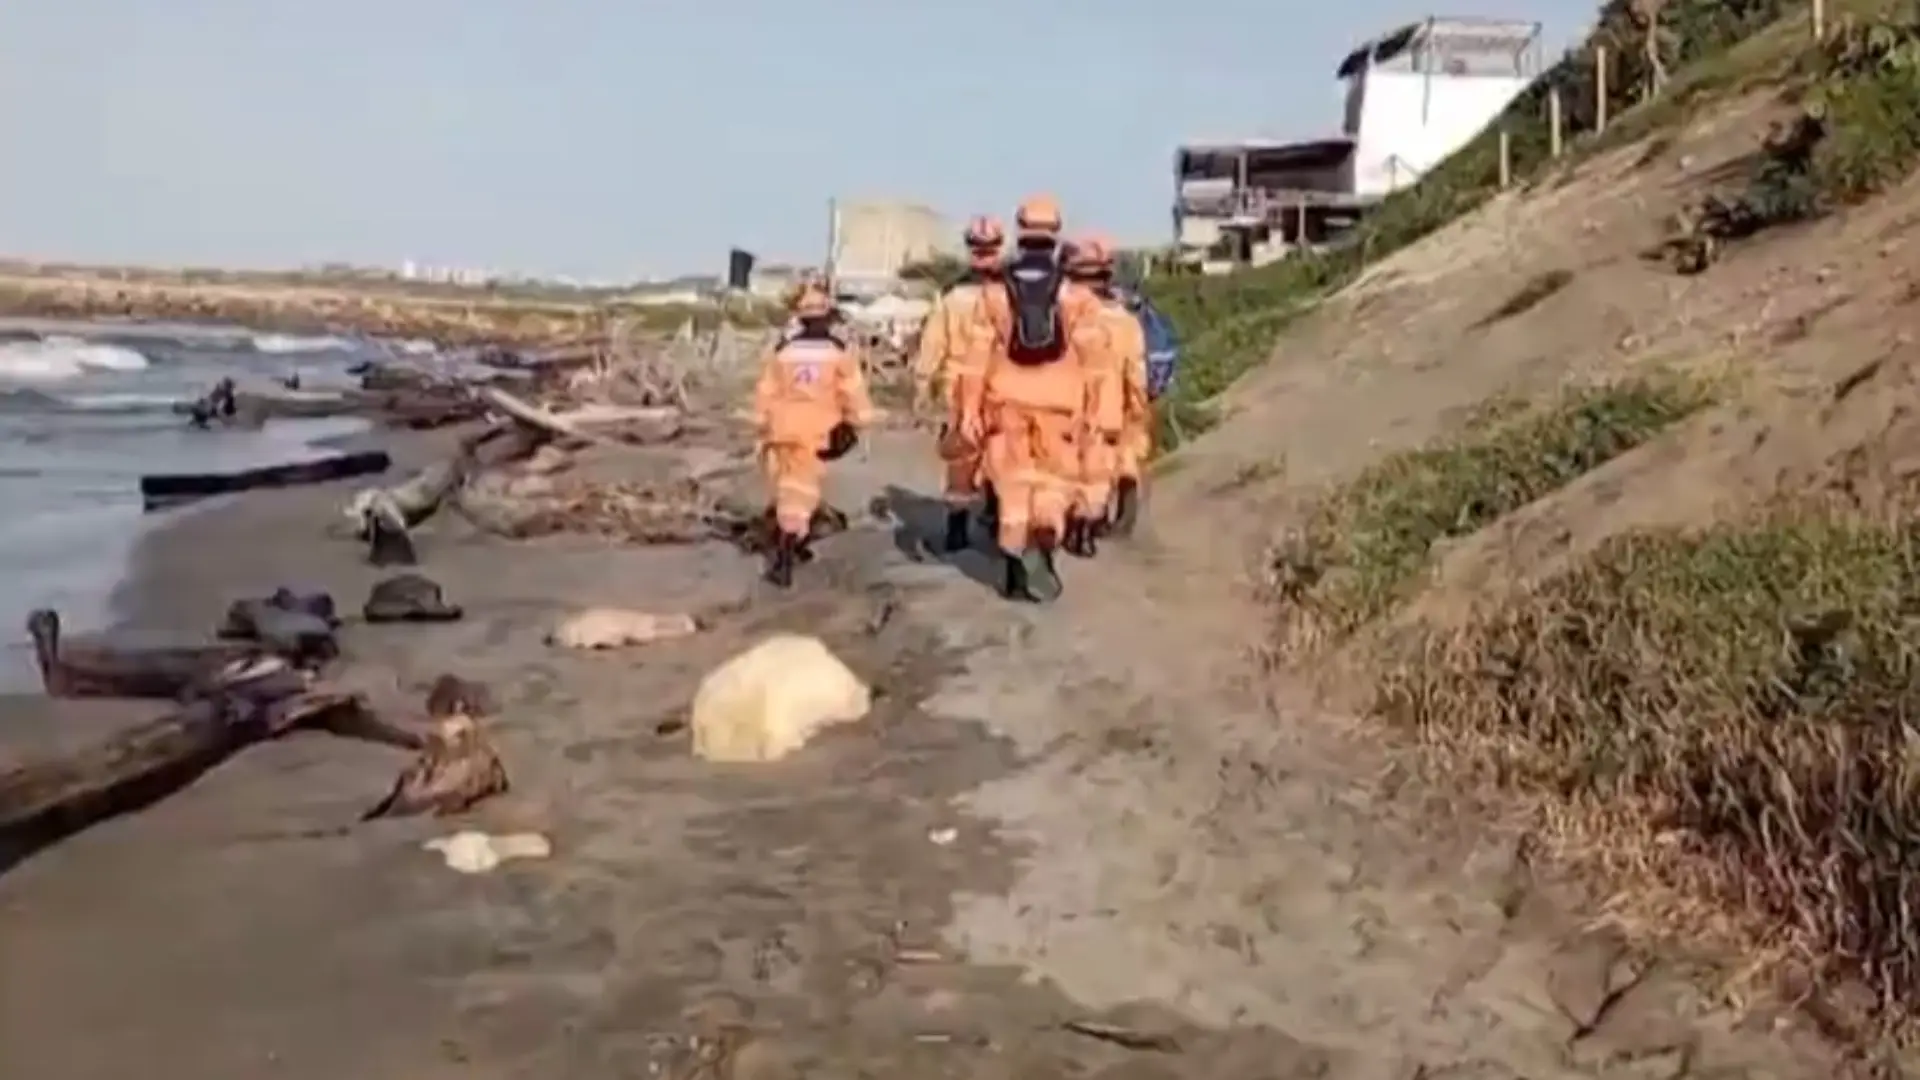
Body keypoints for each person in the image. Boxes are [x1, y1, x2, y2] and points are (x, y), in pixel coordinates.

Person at [954, 194, 1120, 602]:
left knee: (1012, 491)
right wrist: (1101, 417)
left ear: (1020, 230)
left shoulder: (993, 294)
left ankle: (1015, 560)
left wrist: (968, 411)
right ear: (1056, 231)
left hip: (1006, 407)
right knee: (1052, 489)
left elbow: (974, 361)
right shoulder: (1079, 299)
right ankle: (1043, 541)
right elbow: (1099, 366)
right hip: (1062, 412)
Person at [751, 283, 874, 588]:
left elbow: (765, 392)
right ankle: (784, 557)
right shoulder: (838, 352)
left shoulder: (783, 352)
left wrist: (761, 426)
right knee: (799, 495)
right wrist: (859, 423)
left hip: (781, 428)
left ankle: (793, 544)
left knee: (788, 487)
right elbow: (852, 393)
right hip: (815, 431)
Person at [910, 215, 1006, 552]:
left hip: (961, 386)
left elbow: (932, 343)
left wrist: (923, 384)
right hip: (1000, 387)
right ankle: (996, 522)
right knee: (1001, 453)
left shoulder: (951, 295)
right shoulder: (1012, 293)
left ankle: (957, 531)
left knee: (962, 460)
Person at [1060, 233, 1142, 555]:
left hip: (1063, 409)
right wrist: (1136, 410)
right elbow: (1136, 375)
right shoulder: (1125, 322)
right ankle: (1085, 530)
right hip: (1107, 411)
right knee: (1097, 474)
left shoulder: (1058, 314)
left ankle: (1068, 525)